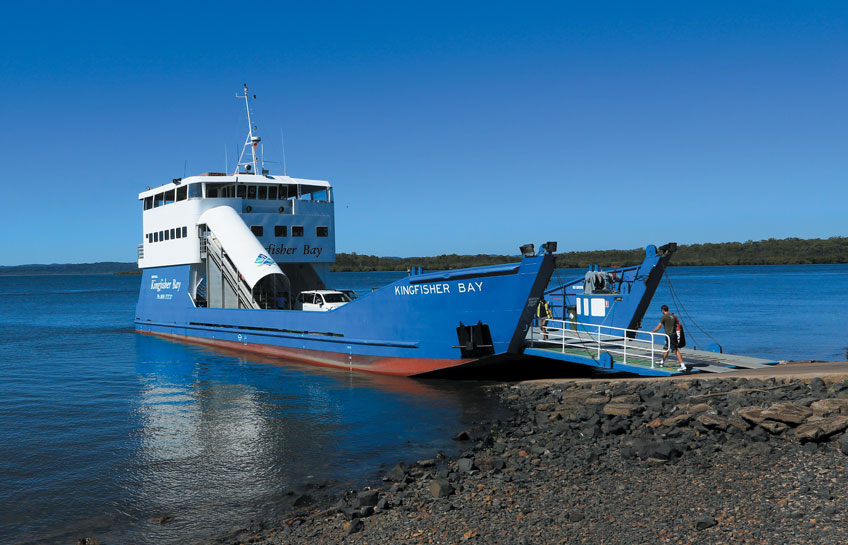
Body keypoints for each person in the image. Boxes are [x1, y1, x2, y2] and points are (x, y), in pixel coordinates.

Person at [651, 304, 690, 371]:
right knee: (666, 348)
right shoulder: (673, 316)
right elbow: (679, 324)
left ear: (662, 310)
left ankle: (683, 365)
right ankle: (662, 362)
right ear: (667, 309)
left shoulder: (664, 317)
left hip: (670, 335)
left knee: (676, 350)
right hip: (673, 335)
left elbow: (658, 327)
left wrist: (652, 332)